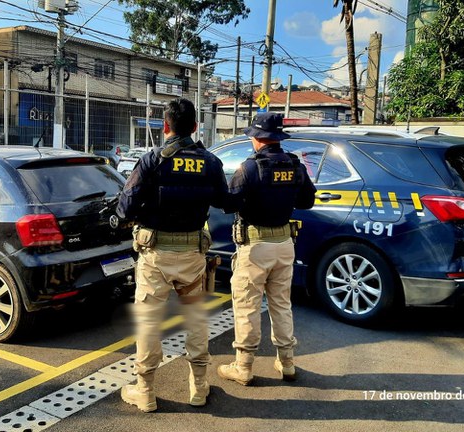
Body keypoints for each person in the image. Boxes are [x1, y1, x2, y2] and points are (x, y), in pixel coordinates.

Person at [116, 98, 228, 412]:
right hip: (193, 255)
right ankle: (199, 387)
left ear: (166, 126)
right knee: (195, 319)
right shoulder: (210, 161)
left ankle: (146, 391)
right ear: (195, 127)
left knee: (149, 323)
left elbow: (125, 208)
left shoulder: (152, 160)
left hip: (155, 257)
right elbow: (226, 201)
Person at [217, 112, 316, 386]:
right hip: (285, 244)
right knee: (281, 304)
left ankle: (244, 366)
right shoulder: (295, 165)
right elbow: (308, 201)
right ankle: (287, 362)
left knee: (247, 305)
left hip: (255, 246)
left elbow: (229, 204)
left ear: (257, 138)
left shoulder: (249, 168)